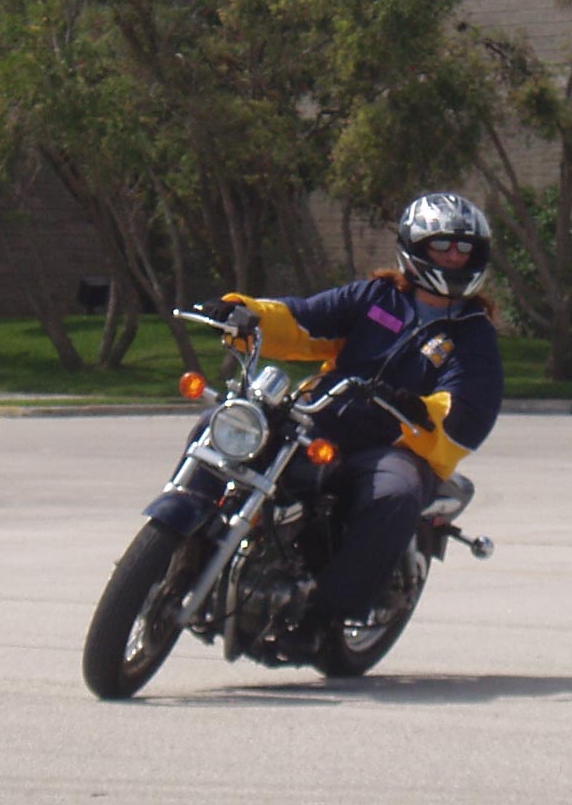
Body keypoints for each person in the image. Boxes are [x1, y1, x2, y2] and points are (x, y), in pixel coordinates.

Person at [199, 192, 504, 650]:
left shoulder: (473, 335)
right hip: (317, 417)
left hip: (392, 443)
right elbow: (303, 320)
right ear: (415, 247)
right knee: (220, 424)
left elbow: (469, 405)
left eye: (465, 248)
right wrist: (245, 313)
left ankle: (326, 611)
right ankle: (183, 535)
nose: (455, 257)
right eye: (443, 245)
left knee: (395, 494)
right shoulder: (376, 297)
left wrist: (423, 410)